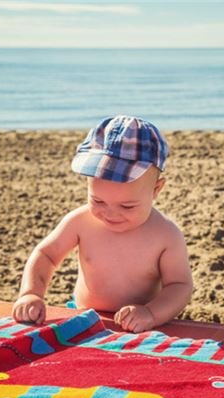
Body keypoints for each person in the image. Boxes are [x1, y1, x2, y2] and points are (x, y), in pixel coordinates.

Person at [12, 115, 193, 333]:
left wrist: (151, 314)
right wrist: (31, 293)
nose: (110, 213)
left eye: (127, 206)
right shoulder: (80, 221)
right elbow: (46, 255)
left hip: (143, 323)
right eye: (97, 200)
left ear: (156, 190)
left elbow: (180, 286)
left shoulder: (165, 235)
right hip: (84, 315)